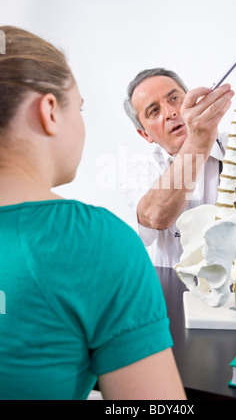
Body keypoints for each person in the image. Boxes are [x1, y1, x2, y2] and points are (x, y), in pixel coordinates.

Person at [0, 26, 186, 400]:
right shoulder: (96, 242)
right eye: (80, 108)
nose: (169, 114)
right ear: (50, 111)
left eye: (175, 99)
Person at [122, 0, 236, 279]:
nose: (169, 112)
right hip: (182, 304)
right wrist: (198, 142)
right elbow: (155, 218)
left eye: (174, 98)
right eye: (154, 111)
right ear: (145, 135)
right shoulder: (141, 168)